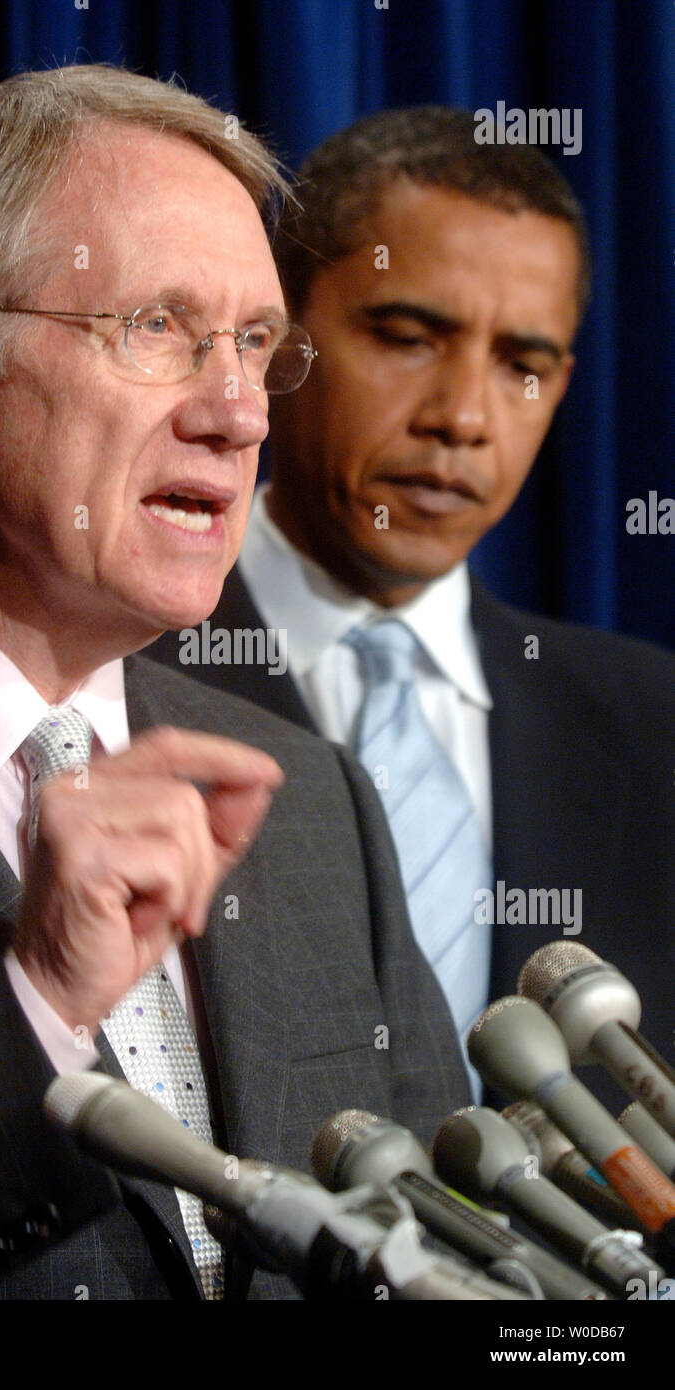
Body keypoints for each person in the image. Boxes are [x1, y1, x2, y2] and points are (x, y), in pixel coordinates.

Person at [0, 69, 467, 1301]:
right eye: (155, 326)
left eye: (257, 345)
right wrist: (34, 1005)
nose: (237, 412)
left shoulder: (309, 804)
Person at [148, 108, 675, 1095]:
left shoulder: (652, 730)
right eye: (405, 337)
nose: (462, 418)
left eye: (518, 365)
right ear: (276, 338)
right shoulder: (108, 678)